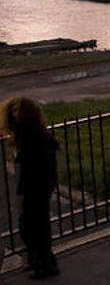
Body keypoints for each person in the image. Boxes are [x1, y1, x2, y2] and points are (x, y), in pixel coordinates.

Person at [0, 97, 60, 279]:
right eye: (14, 110)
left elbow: (46, 157)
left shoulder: (33, 135)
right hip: (33, 186)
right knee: (33, 226)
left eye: (20, 110)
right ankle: (40, 261)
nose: (17, 114)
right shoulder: (25, 133)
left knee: (32, 226)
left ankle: (45, 264)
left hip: (37, 186)